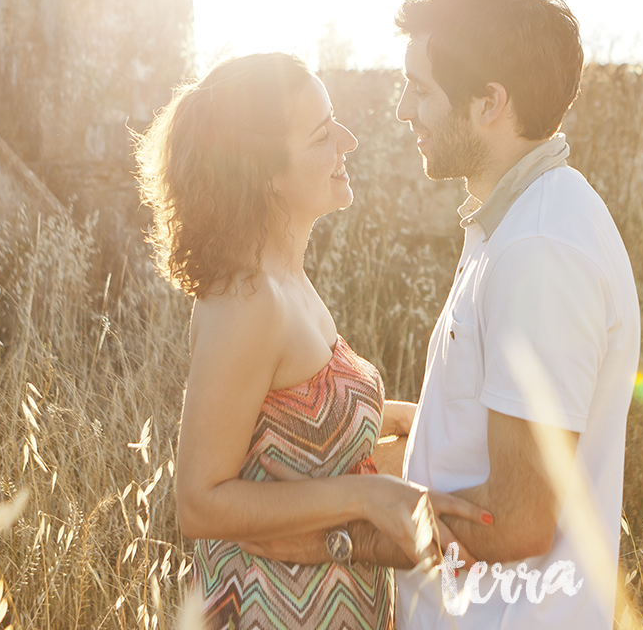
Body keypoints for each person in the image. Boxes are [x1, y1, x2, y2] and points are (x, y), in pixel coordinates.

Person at [135, 53, 486, 630]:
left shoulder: (287, 279)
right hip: (271, 611)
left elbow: (297, 433)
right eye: (323, 133)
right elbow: (200, 501)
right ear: (265, 172)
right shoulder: (245, 301)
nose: (348, 139)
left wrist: (422, 421)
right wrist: (367, 497)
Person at [391, 0, 642, 629]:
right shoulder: (520, 220)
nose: (402, 110)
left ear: (488, 103)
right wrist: (409, 429)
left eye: (420, 89)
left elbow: (519, 518)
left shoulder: (538, 248)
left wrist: (351, 528)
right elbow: (518, 429)